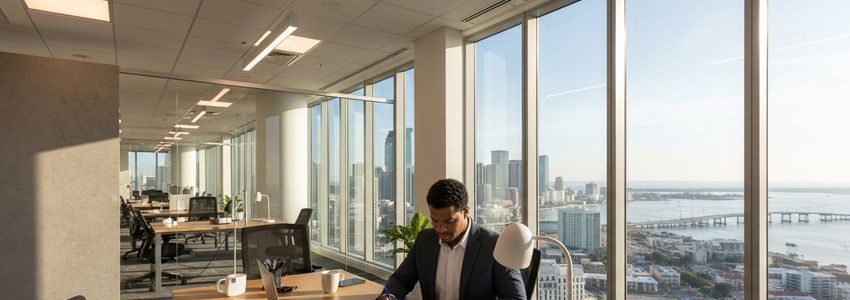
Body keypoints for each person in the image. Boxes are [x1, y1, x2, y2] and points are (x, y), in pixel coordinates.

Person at [378, 179, 525, 300]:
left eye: (449, 221)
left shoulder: (494, 245)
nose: (441, 229)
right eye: (435, 221)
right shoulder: (425, 240)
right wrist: (390, 296)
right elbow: (401, 279)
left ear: (465, 211)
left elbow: (515, 297)